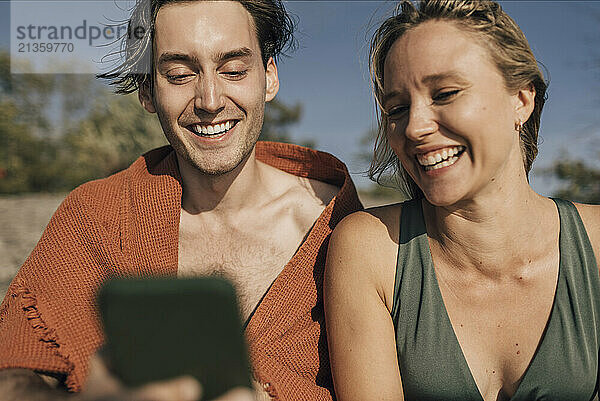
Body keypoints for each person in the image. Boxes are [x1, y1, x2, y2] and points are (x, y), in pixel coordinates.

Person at [0, 0, 362, 400]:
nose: (209, 100)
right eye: (178, 75)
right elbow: (13, 376)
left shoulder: (342, 229)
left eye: (235, 70)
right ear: (147, 92)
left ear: (269, 77)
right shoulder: (96, 218)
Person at [324, 1, 600, 400]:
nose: (415, 127)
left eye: (446, 93)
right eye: (398, 108)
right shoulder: (370, 249)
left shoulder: (594, 245)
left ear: (521, 100)